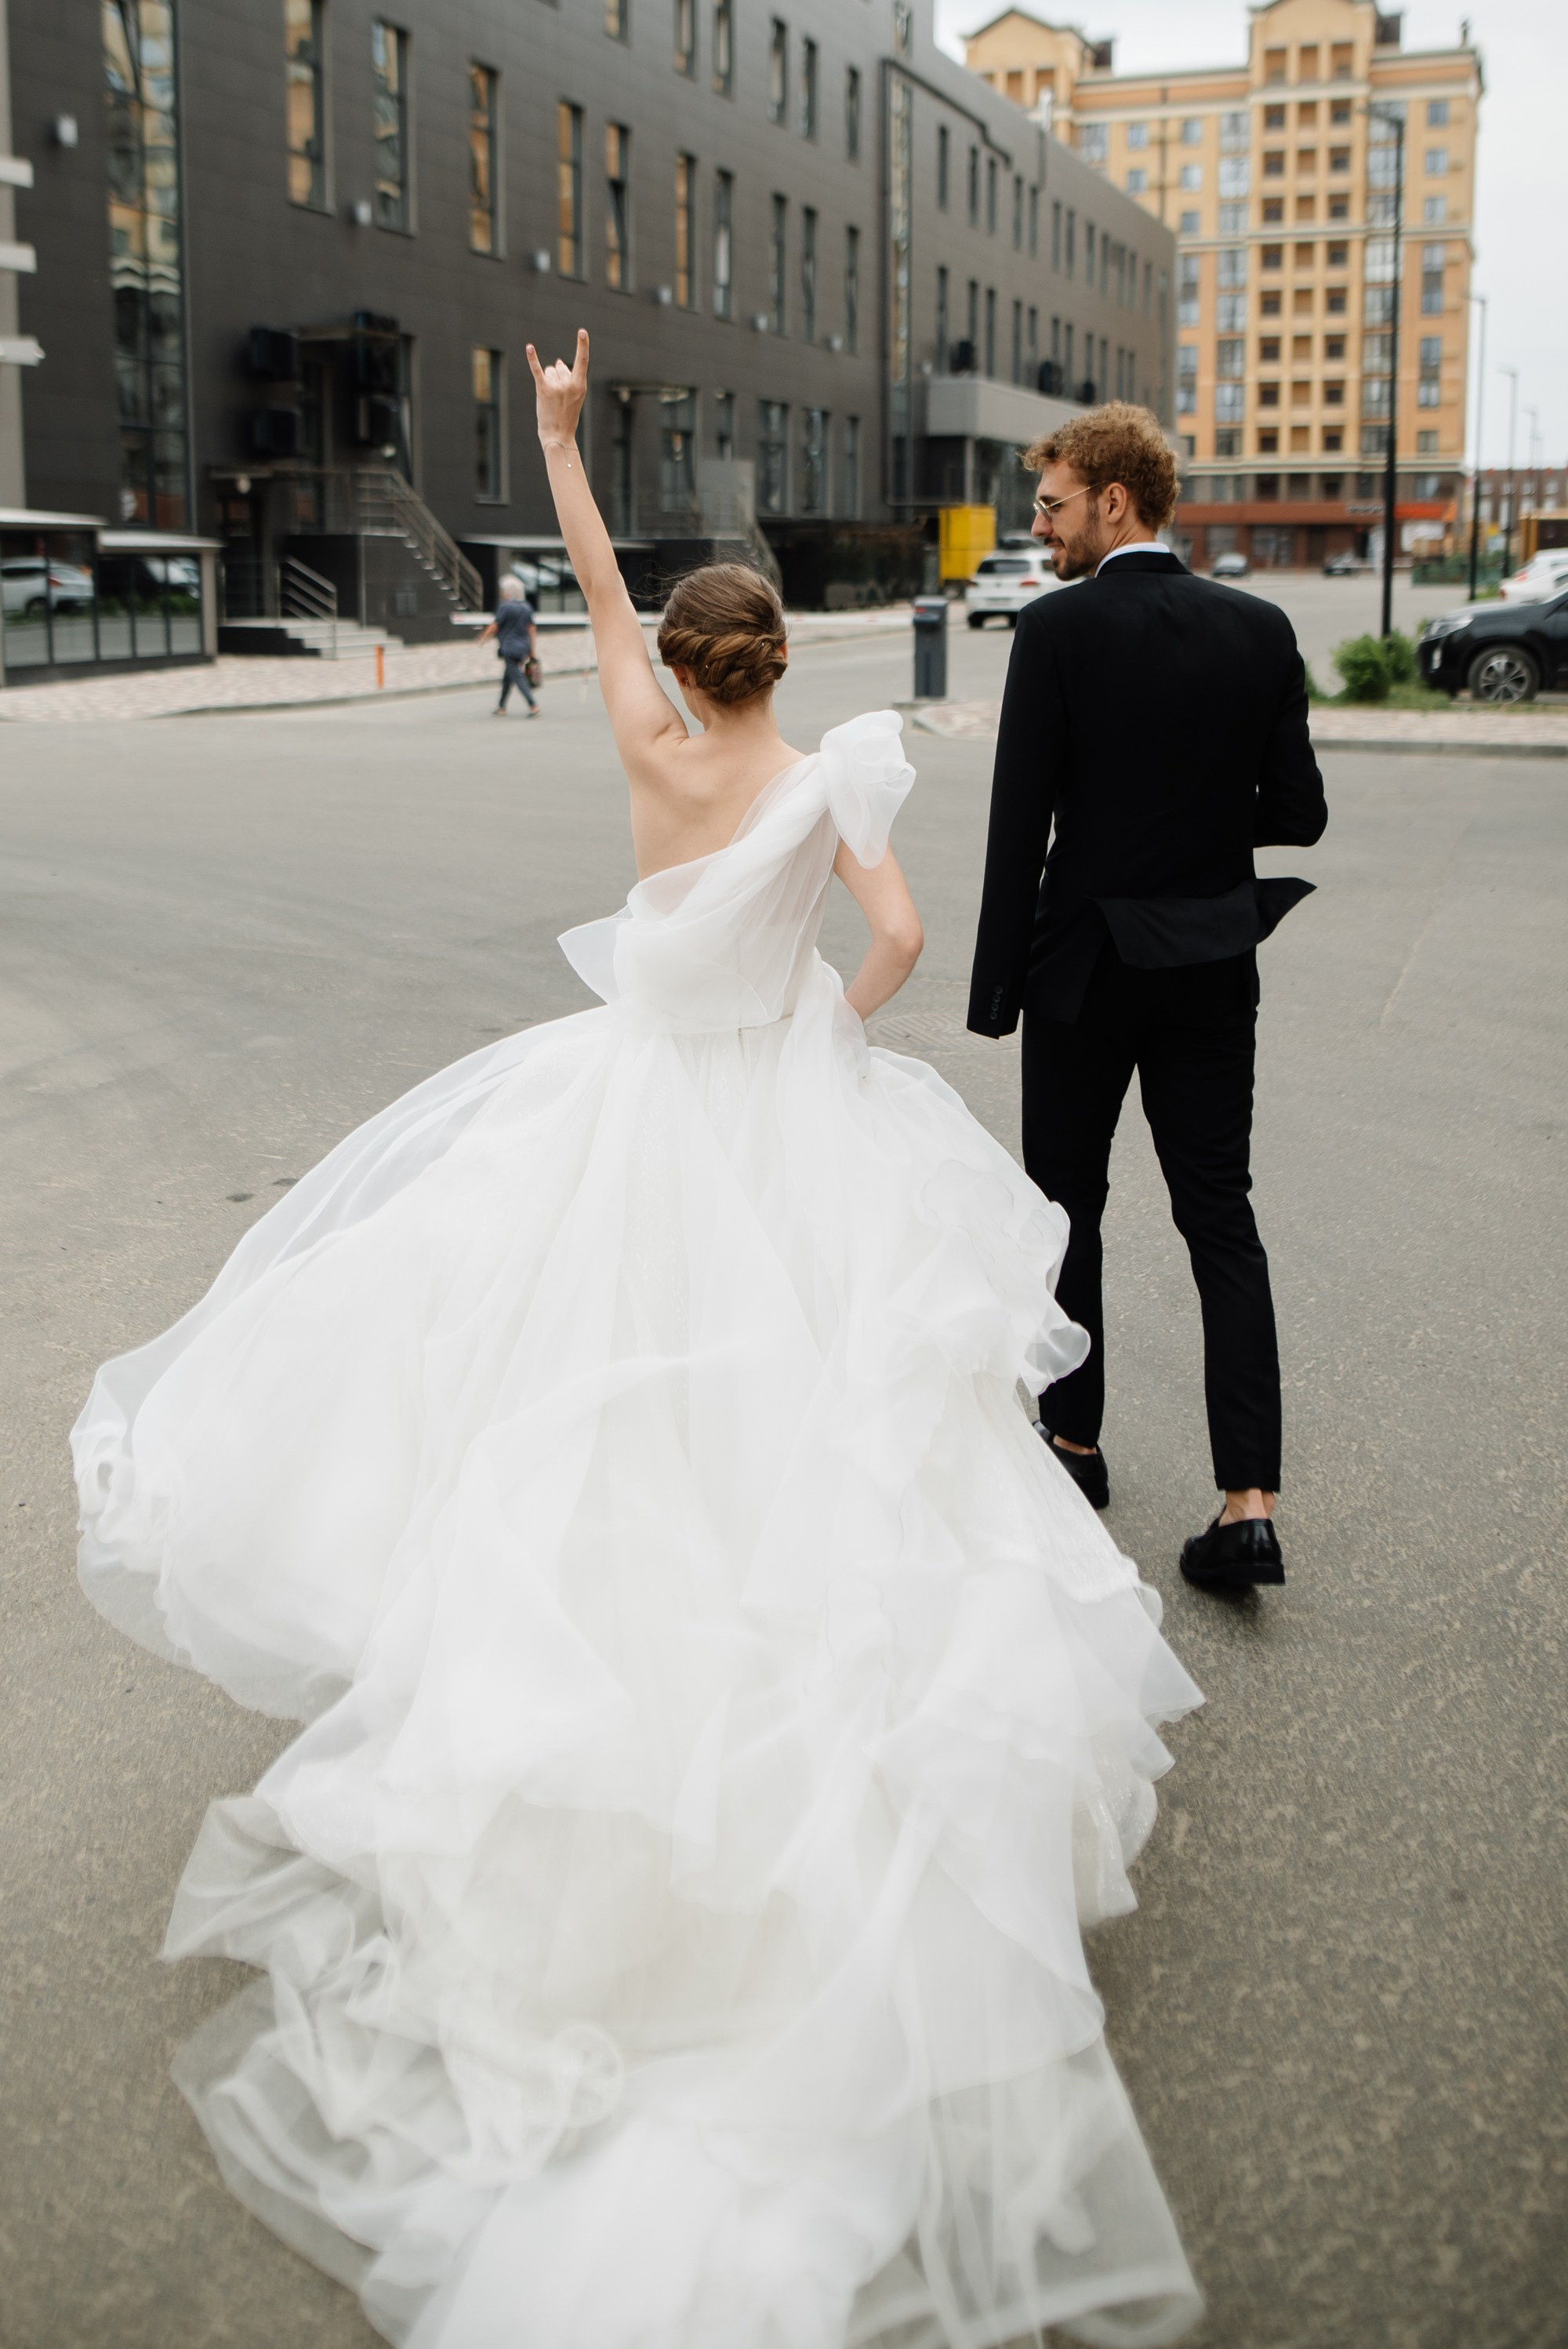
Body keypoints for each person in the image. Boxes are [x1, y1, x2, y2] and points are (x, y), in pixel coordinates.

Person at [73, 334, 1204, 2349]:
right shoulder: (809, 778)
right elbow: (901, 941)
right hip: (769, 1116)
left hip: (625, 1112)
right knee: (817, 1423)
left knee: (561, 1398)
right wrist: (825, 1032)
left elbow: (590, 575)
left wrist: (562, 444)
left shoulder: (634, 724)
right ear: (775, 664)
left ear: (685, 666)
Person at [966, 402, 1327, 1595]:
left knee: (1068, 1209)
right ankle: (1248, 1503)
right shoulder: (1261, 630)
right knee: (1220, 1215)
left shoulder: (1058, 631)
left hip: (1084, 971)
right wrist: (1198, 819)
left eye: (1053, 504)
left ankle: (1074, 1445)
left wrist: (994, 994)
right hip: (1214, 966)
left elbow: (1022, 826)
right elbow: (1298, 814)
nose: (1041, 525)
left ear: (1114, 500)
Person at [477, 571, 540, 715]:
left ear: (508, 592)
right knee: (508, 676)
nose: (502, 593)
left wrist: (482, 638)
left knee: (517, 675)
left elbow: (495, 626)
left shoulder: (505, 607)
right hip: (523, 646)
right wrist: (532, 649)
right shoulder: (526, 607)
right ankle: (501, 706)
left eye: (504, 590)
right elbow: (531, 629)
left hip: (509, 646)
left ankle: (533, 704)